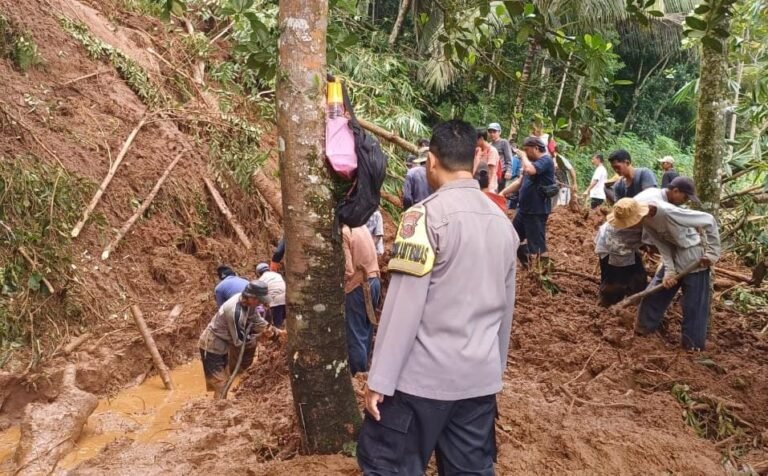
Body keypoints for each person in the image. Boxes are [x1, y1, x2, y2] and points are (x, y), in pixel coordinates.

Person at [358, 120, 518, 476]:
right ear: (476, 161)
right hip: (479, 381)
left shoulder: (423, 218)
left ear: (431, 161)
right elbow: (505, 311)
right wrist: (495, 372)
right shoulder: (504, 225)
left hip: (421, 382)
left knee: (388, 465)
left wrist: (379, 380)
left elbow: (404, 307)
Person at [608, 196, 721, 350]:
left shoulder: (668, 213)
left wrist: (713, 252)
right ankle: (643, 334)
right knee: (652, 296)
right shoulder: (646, 220)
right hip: (673, 258)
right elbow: (663, 246)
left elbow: (708, 219)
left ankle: (692, 348)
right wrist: (669, 271)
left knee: (694, 306)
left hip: (693, 257)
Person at [199, 281, 271, 398]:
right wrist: (258, 337)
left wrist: (271, 330)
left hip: (223, 344)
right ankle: (218, 411)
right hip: (212, 345)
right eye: (259, 300)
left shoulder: (248, 303)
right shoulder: (235, 311)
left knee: (226, 379)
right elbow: (239, 341)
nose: (260, 303)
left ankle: (220, 404)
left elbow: (255, 319)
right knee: (221, 383)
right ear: (251, 297)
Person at [502, 136, 556, 266]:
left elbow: (530, 170)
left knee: (538, 246)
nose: (525, 153)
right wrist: (502, 193)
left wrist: (523, 156)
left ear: (536, 148)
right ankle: (529, 267)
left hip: (536, 211)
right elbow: (520, 182)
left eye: (527, 150)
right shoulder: (531, 164)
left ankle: (543, 274)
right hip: (524, 210)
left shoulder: (546, 160)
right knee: (512, 239)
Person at [342, 224, 381, 375]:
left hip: (358, 286)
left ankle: (359, 374)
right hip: (374, 281)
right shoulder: (362, 227)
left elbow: (348, 270)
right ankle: (366, 370)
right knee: (366, 329)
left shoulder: (345, 233)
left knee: (355, 332)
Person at [594, 222, 647, 307]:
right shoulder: (628, 223)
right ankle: (607, 306)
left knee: (638, 277)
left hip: (613, 243)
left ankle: (633, 303)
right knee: (616, 282)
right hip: (614, 247)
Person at [255, 262, 287, 328]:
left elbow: (260, 298)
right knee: (283, 322)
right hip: (286, 299)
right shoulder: (277, 275)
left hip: (275, 302)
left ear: (258, 273)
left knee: (277, 326)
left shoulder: (261, 280)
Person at [634, 176, 700, 207]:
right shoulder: (656, 203)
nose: (685, 201)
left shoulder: (655, 192)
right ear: (675, 191)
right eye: (685, 198)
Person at [488, 122, 514, 190]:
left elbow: (509, 157)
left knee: (499, 193)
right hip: (492, 173)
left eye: (494, 131)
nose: (492, 134)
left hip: (501, 172)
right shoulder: (489, 145)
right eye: (490, 132)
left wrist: (509, 171)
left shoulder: (503, 142)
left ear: (499, 132)